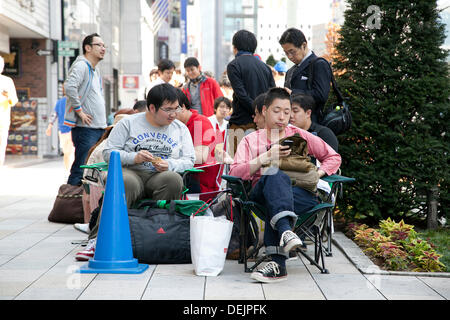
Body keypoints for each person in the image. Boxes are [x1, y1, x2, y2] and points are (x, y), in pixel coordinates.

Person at [229, 87, 341, 283]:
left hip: (300, 195)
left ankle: (279, 260)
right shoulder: (250, 140)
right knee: (274, 173)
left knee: (279, 204)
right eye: (276, 110)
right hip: (262, 195)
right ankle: (285, 234)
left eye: (287, 112)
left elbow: (333, 157)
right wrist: (266, 157)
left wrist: (318, 172)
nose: (282, 116)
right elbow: (235, 172)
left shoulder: (299, 135)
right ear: (264, 111)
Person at [75, 84, 195, 261]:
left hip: (159, 175)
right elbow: (108, 153)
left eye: (176, 108)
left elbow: (189, 160)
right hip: (131, 172)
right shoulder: (128, 124)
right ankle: (99, 240)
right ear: (152, 107)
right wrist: (134, 158)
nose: (173, 114)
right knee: (124, 182)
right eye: (168, 109)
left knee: (173, 180)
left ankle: (162, 236)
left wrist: (169, 164)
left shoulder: (180, 129)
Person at [64, 33, 107, 186]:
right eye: (99, 45)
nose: (103, 48)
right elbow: (69, 87)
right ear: (87, 48)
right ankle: (68, 203)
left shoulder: (94, 69)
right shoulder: (82, 65)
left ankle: (81, 204)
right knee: (81, 168)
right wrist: (79, 111)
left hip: (97, 128)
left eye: (104, 46)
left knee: (92, 170)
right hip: (86, 129)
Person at [227, 29, 276, 156]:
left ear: (235, 47)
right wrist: (262, 114)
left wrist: (256, 111)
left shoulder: (233, 65)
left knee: (236, 163)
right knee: (262, 164)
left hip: (241, 123)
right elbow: (273, 94)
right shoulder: (265, 67)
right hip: (263, 124)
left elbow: (241, 95)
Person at [279, 28, 331, 124]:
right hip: (291, 124)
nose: (290, 56)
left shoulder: (319, 64)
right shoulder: (290, 71)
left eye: (292, 52)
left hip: (312, 124)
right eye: (286, 53)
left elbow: (321, 95)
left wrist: (293, 93)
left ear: (304, 45)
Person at [175, 88, 219, 194]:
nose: (169, 115)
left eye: (172, 110)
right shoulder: (177, 126)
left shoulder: (199, 122)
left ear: (183, 107)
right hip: (183, 175)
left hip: (198, 182)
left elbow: (201, 157)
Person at [45, 87, 75, 172]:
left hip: (63, 131)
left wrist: (49, 126)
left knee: (66, 152)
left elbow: (54, 115)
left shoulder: (59, 102)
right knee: (72, 152)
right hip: (73, 130)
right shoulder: (74, 101)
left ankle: (67, 170)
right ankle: (70, 170)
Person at [0, 56, 18, 166]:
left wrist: (8, 96)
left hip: (3, 119)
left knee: (1, 143)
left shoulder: (7, 81)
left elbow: (14, 100)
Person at [208, 97, 233, 165]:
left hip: (223, 159)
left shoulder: (227, 124)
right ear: (215, 108)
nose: (224, 110)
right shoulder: (208, 121)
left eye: (227, 108)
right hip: (209, 157)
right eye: (222, 107)